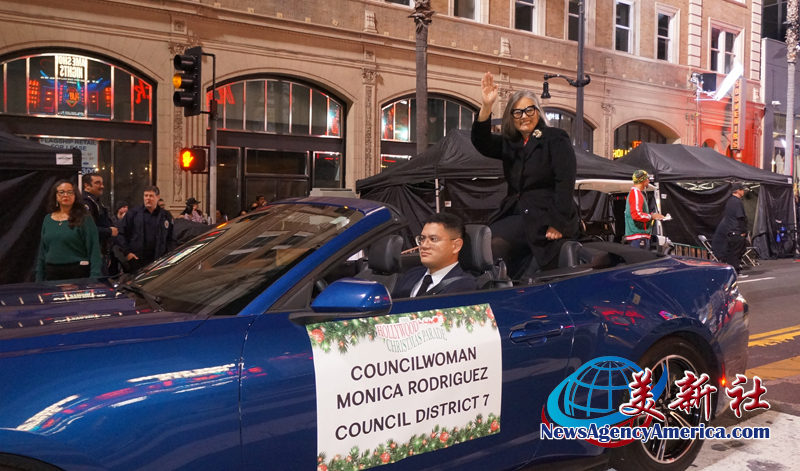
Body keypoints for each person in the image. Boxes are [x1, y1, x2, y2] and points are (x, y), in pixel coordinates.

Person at [471, 71, 579, 274]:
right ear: (511, 117)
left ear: (537, 111)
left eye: (529, 110)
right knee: (481, 244)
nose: (524, 117)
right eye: (518, 112)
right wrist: (486, 106)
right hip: (516, 213)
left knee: (494, 246)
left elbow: (565, 182)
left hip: (545, 215)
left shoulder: (555, 138)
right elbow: (481, 142)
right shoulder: (511, 143)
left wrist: (557, 223)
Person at [392, 213, 478, 298]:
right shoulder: (412, 274)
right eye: (422, 239)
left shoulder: (464, 286)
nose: (424, 245)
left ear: (456, 246)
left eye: (433, 239)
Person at [36, 180, 103, 281]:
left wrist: (95, 277)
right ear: (55, 196)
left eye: (70, 192)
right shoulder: (47, 219)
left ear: (75, 195)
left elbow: (94, 250)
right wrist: (39, 277)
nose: (66, 195)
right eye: (61, 192)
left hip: (78, 274)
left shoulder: (84, 218)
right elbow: (42, 251)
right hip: (51, 275)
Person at [119, 185, 177, 272]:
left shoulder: (165, 216)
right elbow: (121, 234)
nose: (148, 199)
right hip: (137, 260)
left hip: (159, 260)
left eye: (151, 196)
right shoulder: (133, 214)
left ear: (158, 197)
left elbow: (171, 238)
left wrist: (169, 256)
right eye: (146, 195)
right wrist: (127, 253)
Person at [82, 173, 117, 274]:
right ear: (87, 185)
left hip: (102, 250)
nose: (102, 186)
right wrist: (109, 231)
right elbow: (87, 229)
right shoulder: (86, 203)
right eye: (97, 183)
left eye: (102, 183)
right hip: (93, 253)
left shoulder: (96, 201)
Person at [712, 182, 748, 275]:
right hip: (737, 231)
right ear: (738, 191)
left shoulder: (729, 201)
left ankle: (732, 270)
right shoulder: (737, 202)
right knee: (737, 253)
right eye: (742, 190)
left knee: (732, 253)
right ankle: (736, 271)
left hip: (730, 232)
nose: (744, 191)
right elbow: (740, 218)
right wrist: (743, 231)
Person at [624, 170, 664, 250]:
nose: (649, 181)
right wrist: (652, 216)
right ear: (643, 180)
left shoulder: (636, 193)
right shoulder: (636, 194)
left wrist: (652, 216)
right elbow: (636, 215)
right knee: (640, 257)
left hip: (638, 237)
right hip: (638, 237)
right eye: (647, 178)